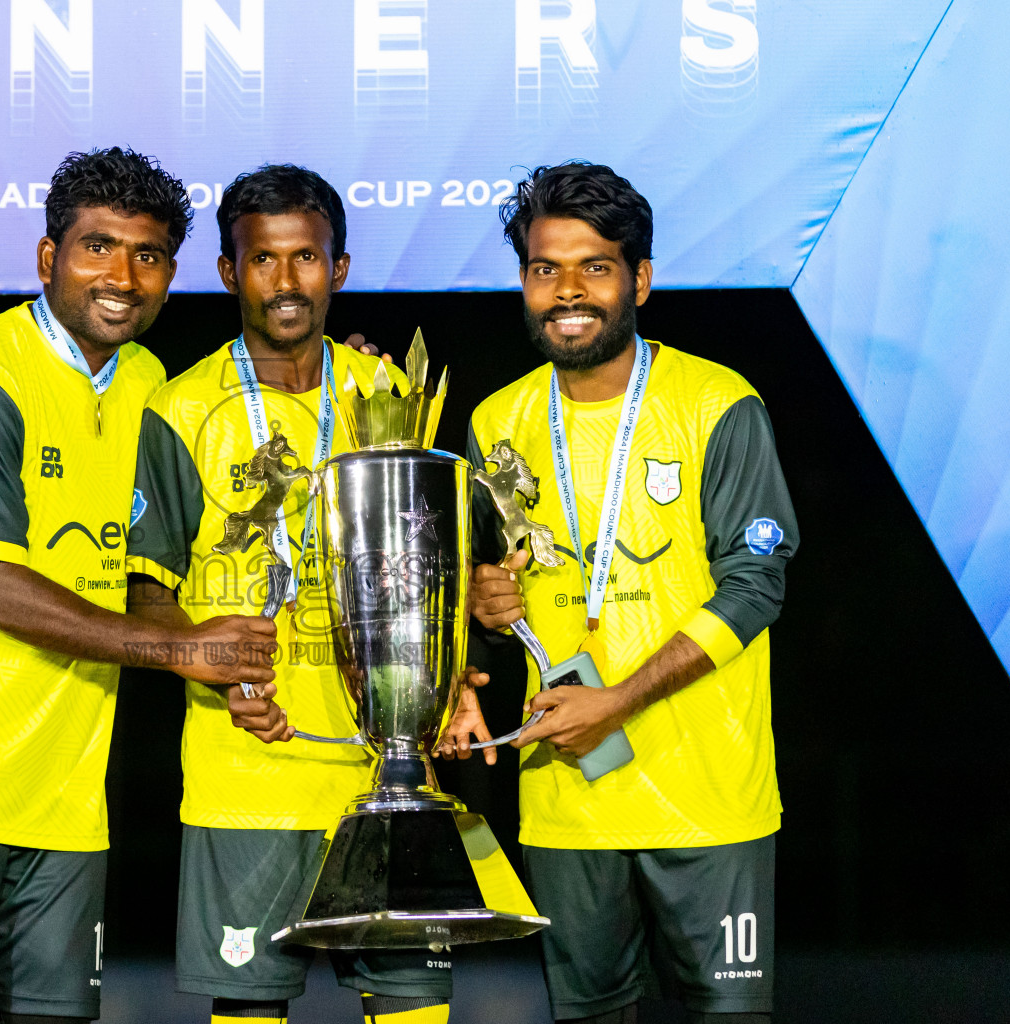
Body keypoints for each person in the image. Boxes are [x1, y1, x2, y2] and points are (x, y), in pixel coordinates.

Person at [0, 147, 279, 1024]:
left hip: (69, 800)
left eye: (147, 255)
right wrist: (179, 648)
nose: (121, 276)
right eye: (97, 247)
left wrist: (213, 662)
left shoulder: (148, 385)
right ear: (49, 259)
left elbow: (146, 582)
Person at [444, 161, 798, 1023]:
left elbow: (757, 588)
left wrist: (620, 699)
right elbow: (499, 598)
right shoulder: (498, 421)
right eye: (543, 269)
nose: (567, 291)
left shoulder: (718, 403)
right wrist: (483, 613)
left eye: (595, 267)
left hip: (710, 800)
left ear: (640, 277)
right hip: (569, 797)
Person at [125, 164, 455, 1024]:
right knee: (248, 1007)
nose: (286, 279)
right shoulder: (180, 408)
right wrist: (211, 666)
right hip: (247, 777)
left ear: (337, 269)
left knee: (415, 1003)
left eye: (305, 257)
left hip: (378, 773)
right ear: (231, 272)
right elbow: (145, 594)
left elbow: (434, 579)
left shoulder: (389, 397)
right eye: (263, 260)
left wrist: (452, 690)